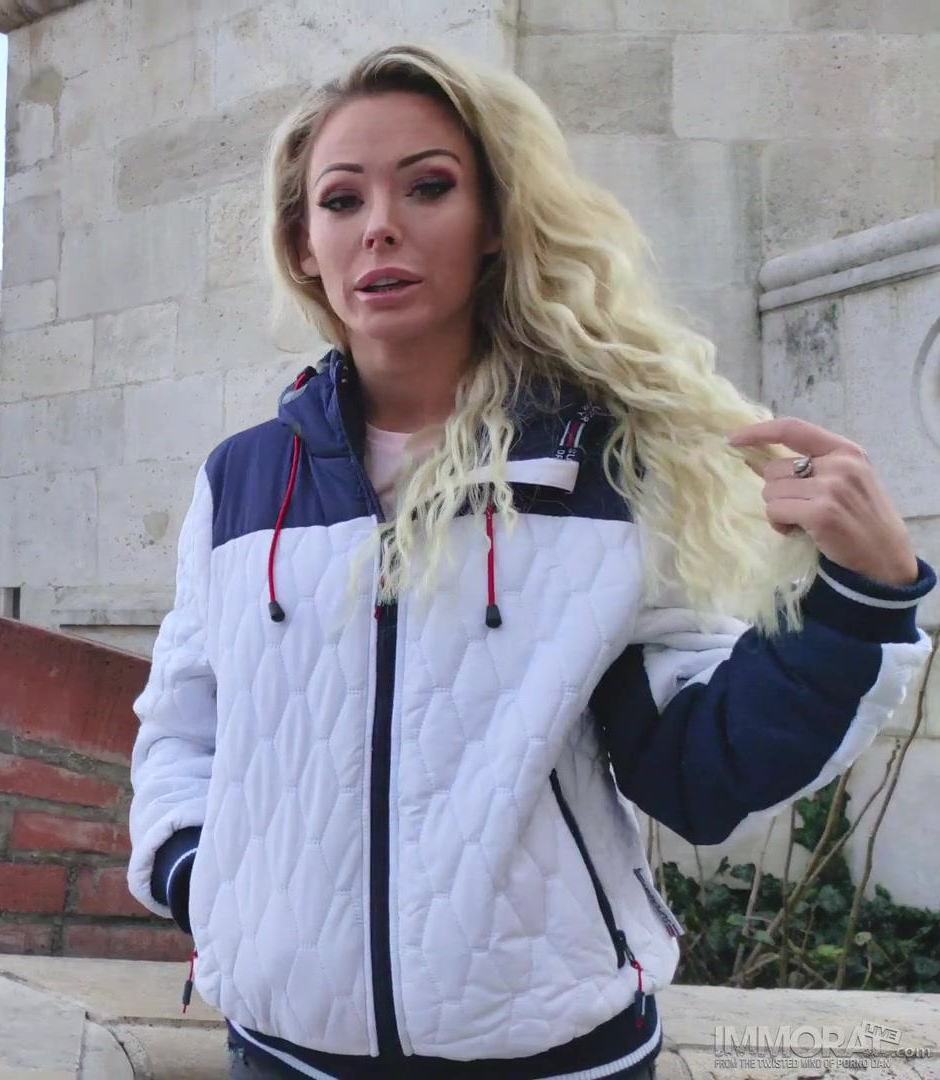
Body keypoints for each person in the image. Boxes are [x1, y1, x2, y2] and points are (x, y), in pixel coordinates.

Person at [123, 42, 934, 1080]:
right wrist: (202, 874)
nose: (380, 225)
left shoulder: (604, 470)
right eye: (341, 199)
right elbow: (185, 725)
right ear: (305, 245)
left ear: (495, 221)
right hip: (286, 1055)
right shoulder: (242, 482)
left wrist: (861, 599)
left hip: (557, 1054)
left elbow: (700, 770)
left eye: (429, 186)